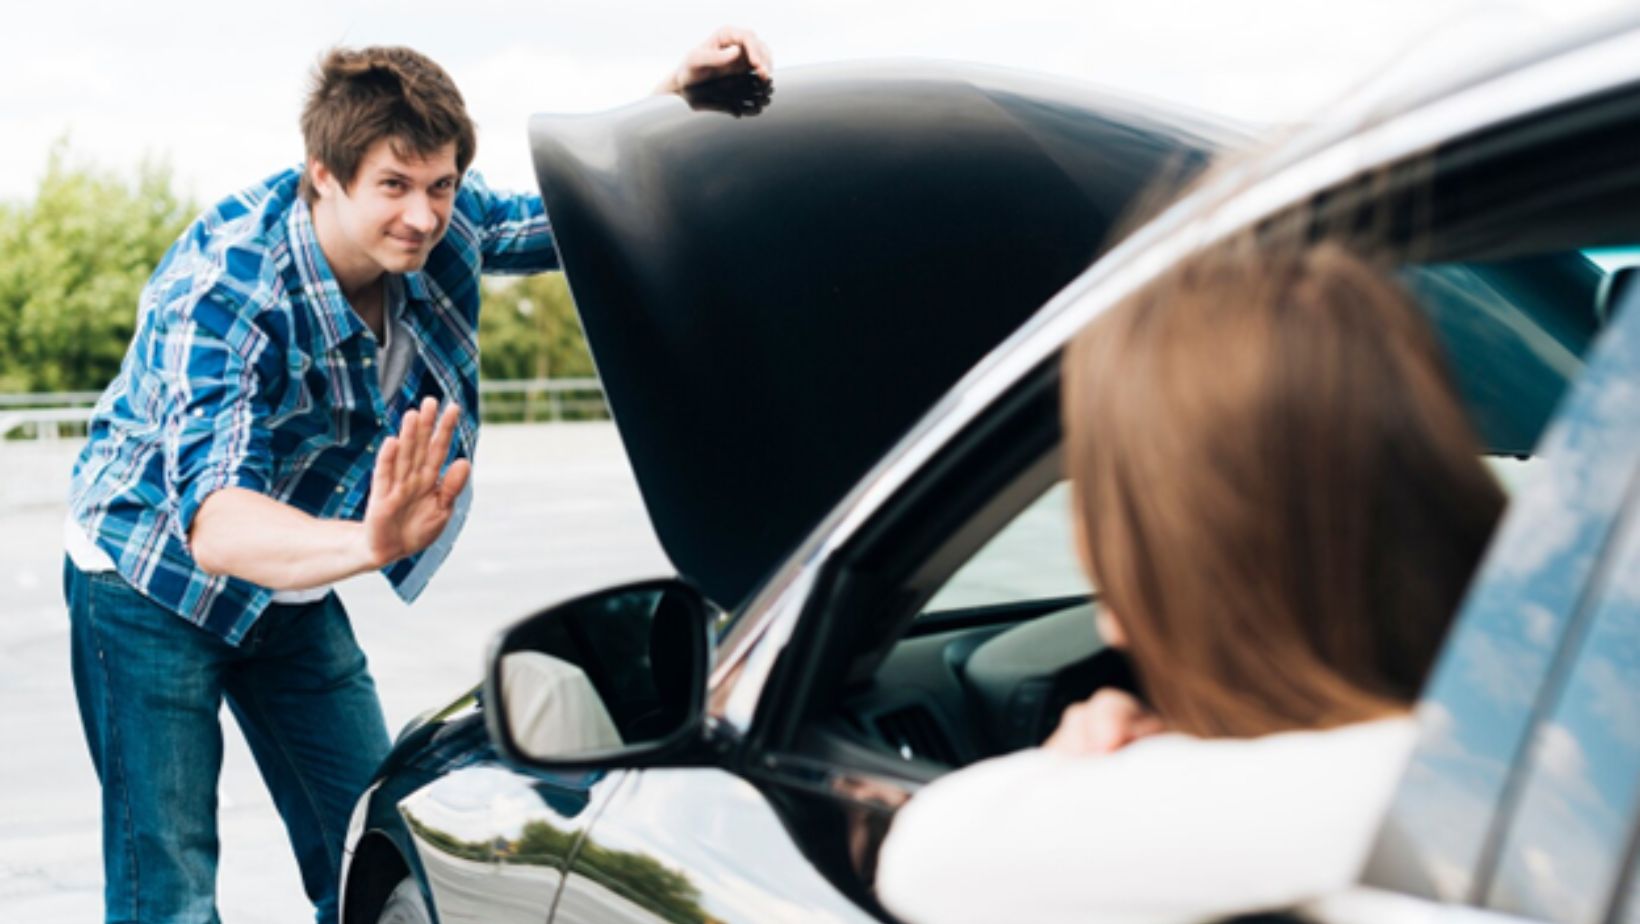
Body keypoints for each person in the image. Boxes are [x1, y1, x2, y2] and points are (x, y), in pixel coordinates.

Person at [63, 28, 771, 924]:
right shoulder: (226, 291)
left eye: (440, 187)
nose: (423, 218)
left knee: (368, 830)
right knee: (168, 887)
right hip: (146, 580)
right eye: (393, 187)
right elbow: (218, 525)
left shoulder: (443, 227)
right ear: (324, 171)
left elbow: (578, 218)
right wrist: (368, 541)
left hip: (289, 581)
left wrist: (674, 95)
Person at [874, 239, 1506, 924]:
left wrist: (1095, 774)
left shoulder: (1365, 795)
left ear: (1139, 566)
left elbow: (930, 860)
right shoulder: (1533, 734)